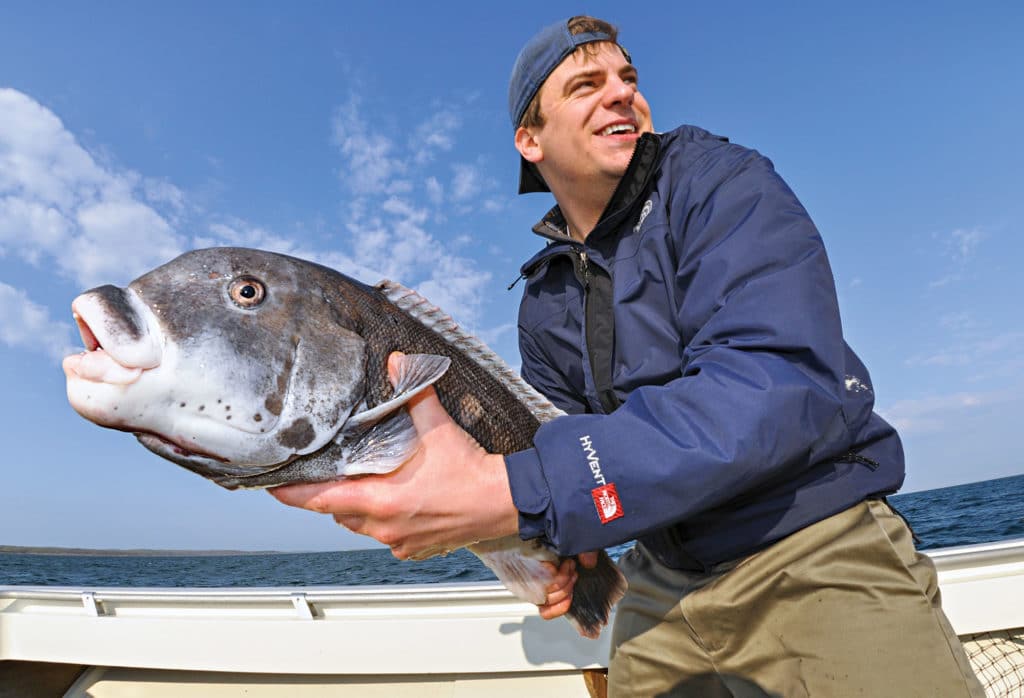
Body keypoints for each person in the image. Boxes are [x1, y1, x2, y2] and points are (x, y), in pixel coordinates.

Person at [272, 16, 985, 697]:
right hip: (661, 572)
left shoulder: (720, 185)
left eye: (627, 76)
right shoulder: (543, 299)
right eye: (584, 85)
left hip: (808, 544)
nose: (622, 92)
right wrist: (563, 545)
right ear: (530, 140)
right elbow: (562, 446)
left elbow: (775, 384)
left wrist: (516, 493)